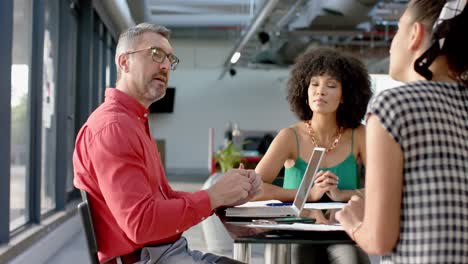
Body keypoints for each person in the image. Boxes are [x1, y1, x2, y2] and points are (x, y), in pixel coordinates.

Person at [73, 23, 261, 264]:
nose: (164, 65)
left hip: (168, 253)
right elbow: (141, 224)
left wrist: (223, 195)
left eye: (169, 59)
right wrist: (212, 197)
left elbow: (164, 198)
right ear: (124, 62)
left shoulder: (133, 120)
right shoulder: (115, 128)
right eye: (155, 54)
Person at [336, 0, 468, 263]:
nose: (391, 42)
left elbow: (378, 239)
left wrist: (352, 221)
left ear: (414, 35)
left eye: (397, 30)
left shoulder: (394, 105)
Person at [254, 48, 372, 263]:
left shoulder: (360, 134)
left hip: (344, 227)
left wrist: (342, 194)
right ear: (304, 90)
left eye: (331, 85)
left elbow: (382, 188)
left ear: (345, 95)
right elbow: (254, 189)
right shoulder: (289, 136)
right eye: (314, 84)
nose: (320, 91)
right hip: (297, 229)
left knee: (350, 258)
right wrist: (307, 194)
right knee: (300, 256)